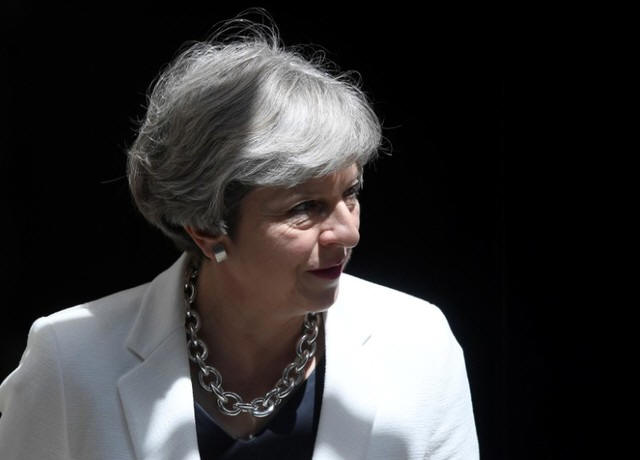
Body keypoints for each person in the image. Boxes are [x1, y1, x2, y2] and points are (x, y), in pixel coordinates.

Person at [0, 14, 478, 460]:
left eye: (350, 194)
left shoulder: (418, 342)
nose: (348, 232)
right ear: (207, 228)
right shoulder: (69, 359)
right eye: (304, 208)